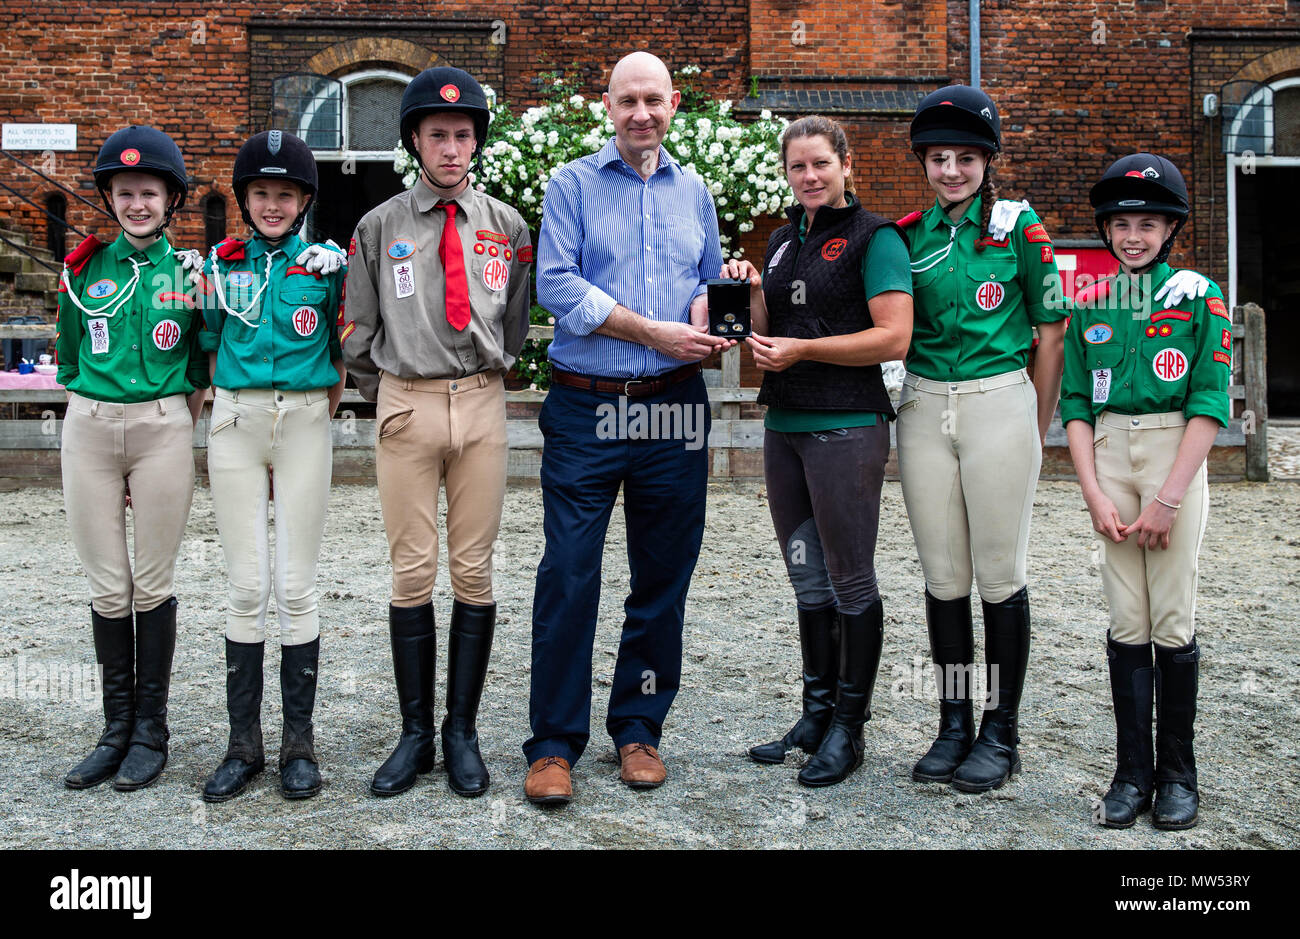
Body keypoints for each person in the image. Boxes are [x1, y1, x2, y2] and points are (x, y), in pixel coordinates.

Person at [524, 51, 732, 805]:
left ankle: (639, 725)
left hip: (673, 405)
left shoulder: (696, 192)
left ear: (674, 103)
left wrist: (714, 316)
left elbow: (703, 287)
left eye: (654, 100)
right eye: (627, 101)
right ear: (605, 106)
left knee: (662, 577)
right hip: (587, 404)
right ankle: (553, 742)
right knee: (569, 572)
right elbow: (555, 283)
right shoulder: (573, 184)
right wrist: (654, 332)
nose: (641, 113)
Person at [344, 66, 531, 799]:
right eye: (436, 136)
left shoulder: (506, 226)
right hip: (406, 401)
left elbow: (512, 318)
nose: (450, 148)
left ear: (475, 141)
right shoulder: (379, 225)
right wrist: (392, 395)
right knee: (412, 570)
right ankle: (414, 731)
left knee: (475, 569)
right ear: (415, 142)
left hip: (480, 401)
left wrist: (490, 378)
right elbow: (357, 333)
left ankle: (462, 729)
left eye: (462, 135)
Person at [721, 116, 913, 787]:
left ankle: (849, 731)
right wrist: (748, 295)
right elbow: (767, 331)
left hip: (847, 423)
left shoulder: (875, 237)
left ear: (845, 164)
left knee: (850, 577)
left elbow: (893, 337)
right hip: (787, 425)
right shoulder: (779, 242)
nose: (809, 176)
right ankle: (816, 713)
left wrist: (806, 350)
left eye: (820, 165)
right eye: (797, 167)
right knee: (807, 577)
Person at [896, 85, 1068, 792]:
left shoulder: (1021, 229)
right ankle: (953, 721)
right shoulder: (909, 235)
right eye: (940, 158)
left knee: (999, 573)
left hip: (999, 396)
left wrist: (1034, 421)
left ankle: (1003, 730)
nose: (952, 171)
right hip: (925, 404)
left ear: (986, 161)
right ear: (926, 164)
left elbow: (1051, 329)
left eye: (967, 158)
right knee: (943, 576)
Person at [1061, 153, 1224, 831]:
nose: (1133, 235)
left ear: (1169, 229)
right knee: (1126, 618)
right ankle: (1131, 773)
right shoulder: (1091, 305)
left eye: (1148, 223)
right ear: (1107, 229)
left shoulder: (1196, 296)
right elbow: (1073, 403)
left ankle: (1178, 774)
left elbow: (1209, 401)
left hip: (1171, 453)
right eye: (1122, 223)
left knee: (1171, 618)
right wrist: (1093, 493)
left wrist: (1169, 496)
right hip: (1109, 455)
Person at [195, 130, 346, 801]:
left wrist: (314, 409)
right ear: (246, 199)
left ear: (304, 198)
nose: (273, 204)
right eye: (261, 193)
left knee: (297, 583)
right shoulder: (219, 265)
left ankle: (298, 744)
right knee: (245, 583)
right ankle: (243, 743)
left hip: (305, 417)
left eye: (285, 193)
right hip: (236, 418)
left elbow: (343, 353)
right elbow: (206, 345)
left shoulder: (327, 266)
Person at [57, 126, 208, 792]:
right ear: (110, 197)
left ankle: (151, 731)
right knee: (106, 584)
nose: (137, 203)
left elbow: (203, 359)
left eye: (149, 191)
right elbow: (67, 351)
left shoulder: (191, 274)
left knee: (151, 580)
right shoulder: (82, 268)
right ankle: (114, 730)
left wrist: (176, 423)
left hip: (163, 425)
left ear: (170, 200)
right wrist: (98, 414)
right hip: (90, 425)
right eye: (125, 192)